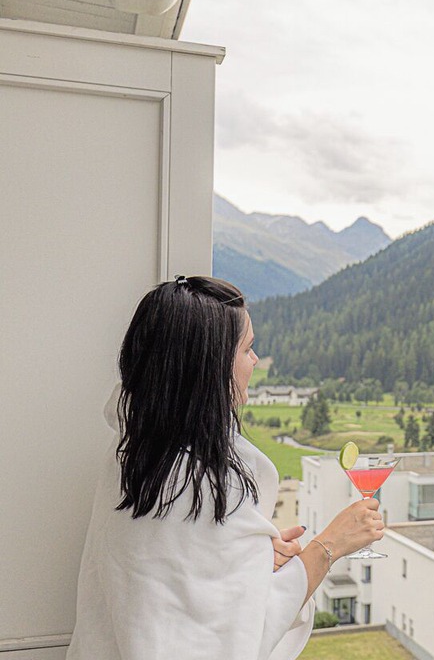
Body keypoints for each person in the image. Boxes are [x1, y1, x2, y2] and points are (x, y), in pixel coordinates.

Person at [67, 276, 384, 660]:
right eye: (247, 348)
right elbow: (239, 640)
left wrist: (247, 560)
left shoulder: (135, 457)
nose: (255, 360)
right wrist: (330, 545)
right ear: (209, 367)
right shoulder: (199, 485)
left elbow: (173, 594)